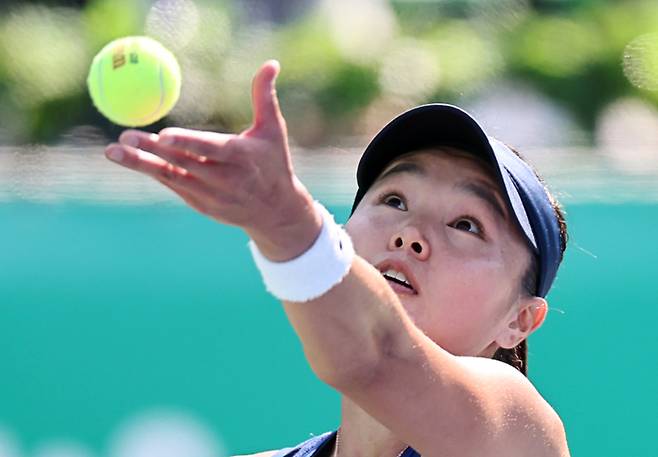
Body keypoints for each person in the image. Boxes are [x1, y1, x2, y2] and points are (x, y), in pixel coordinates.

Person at [105, 60, 571, 457]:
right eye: (394, 200)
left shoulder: (518, 432)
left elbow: (377, 356)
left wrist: (286, 223)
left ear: (521, 320)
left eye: (466, 225)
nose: (411, 235)